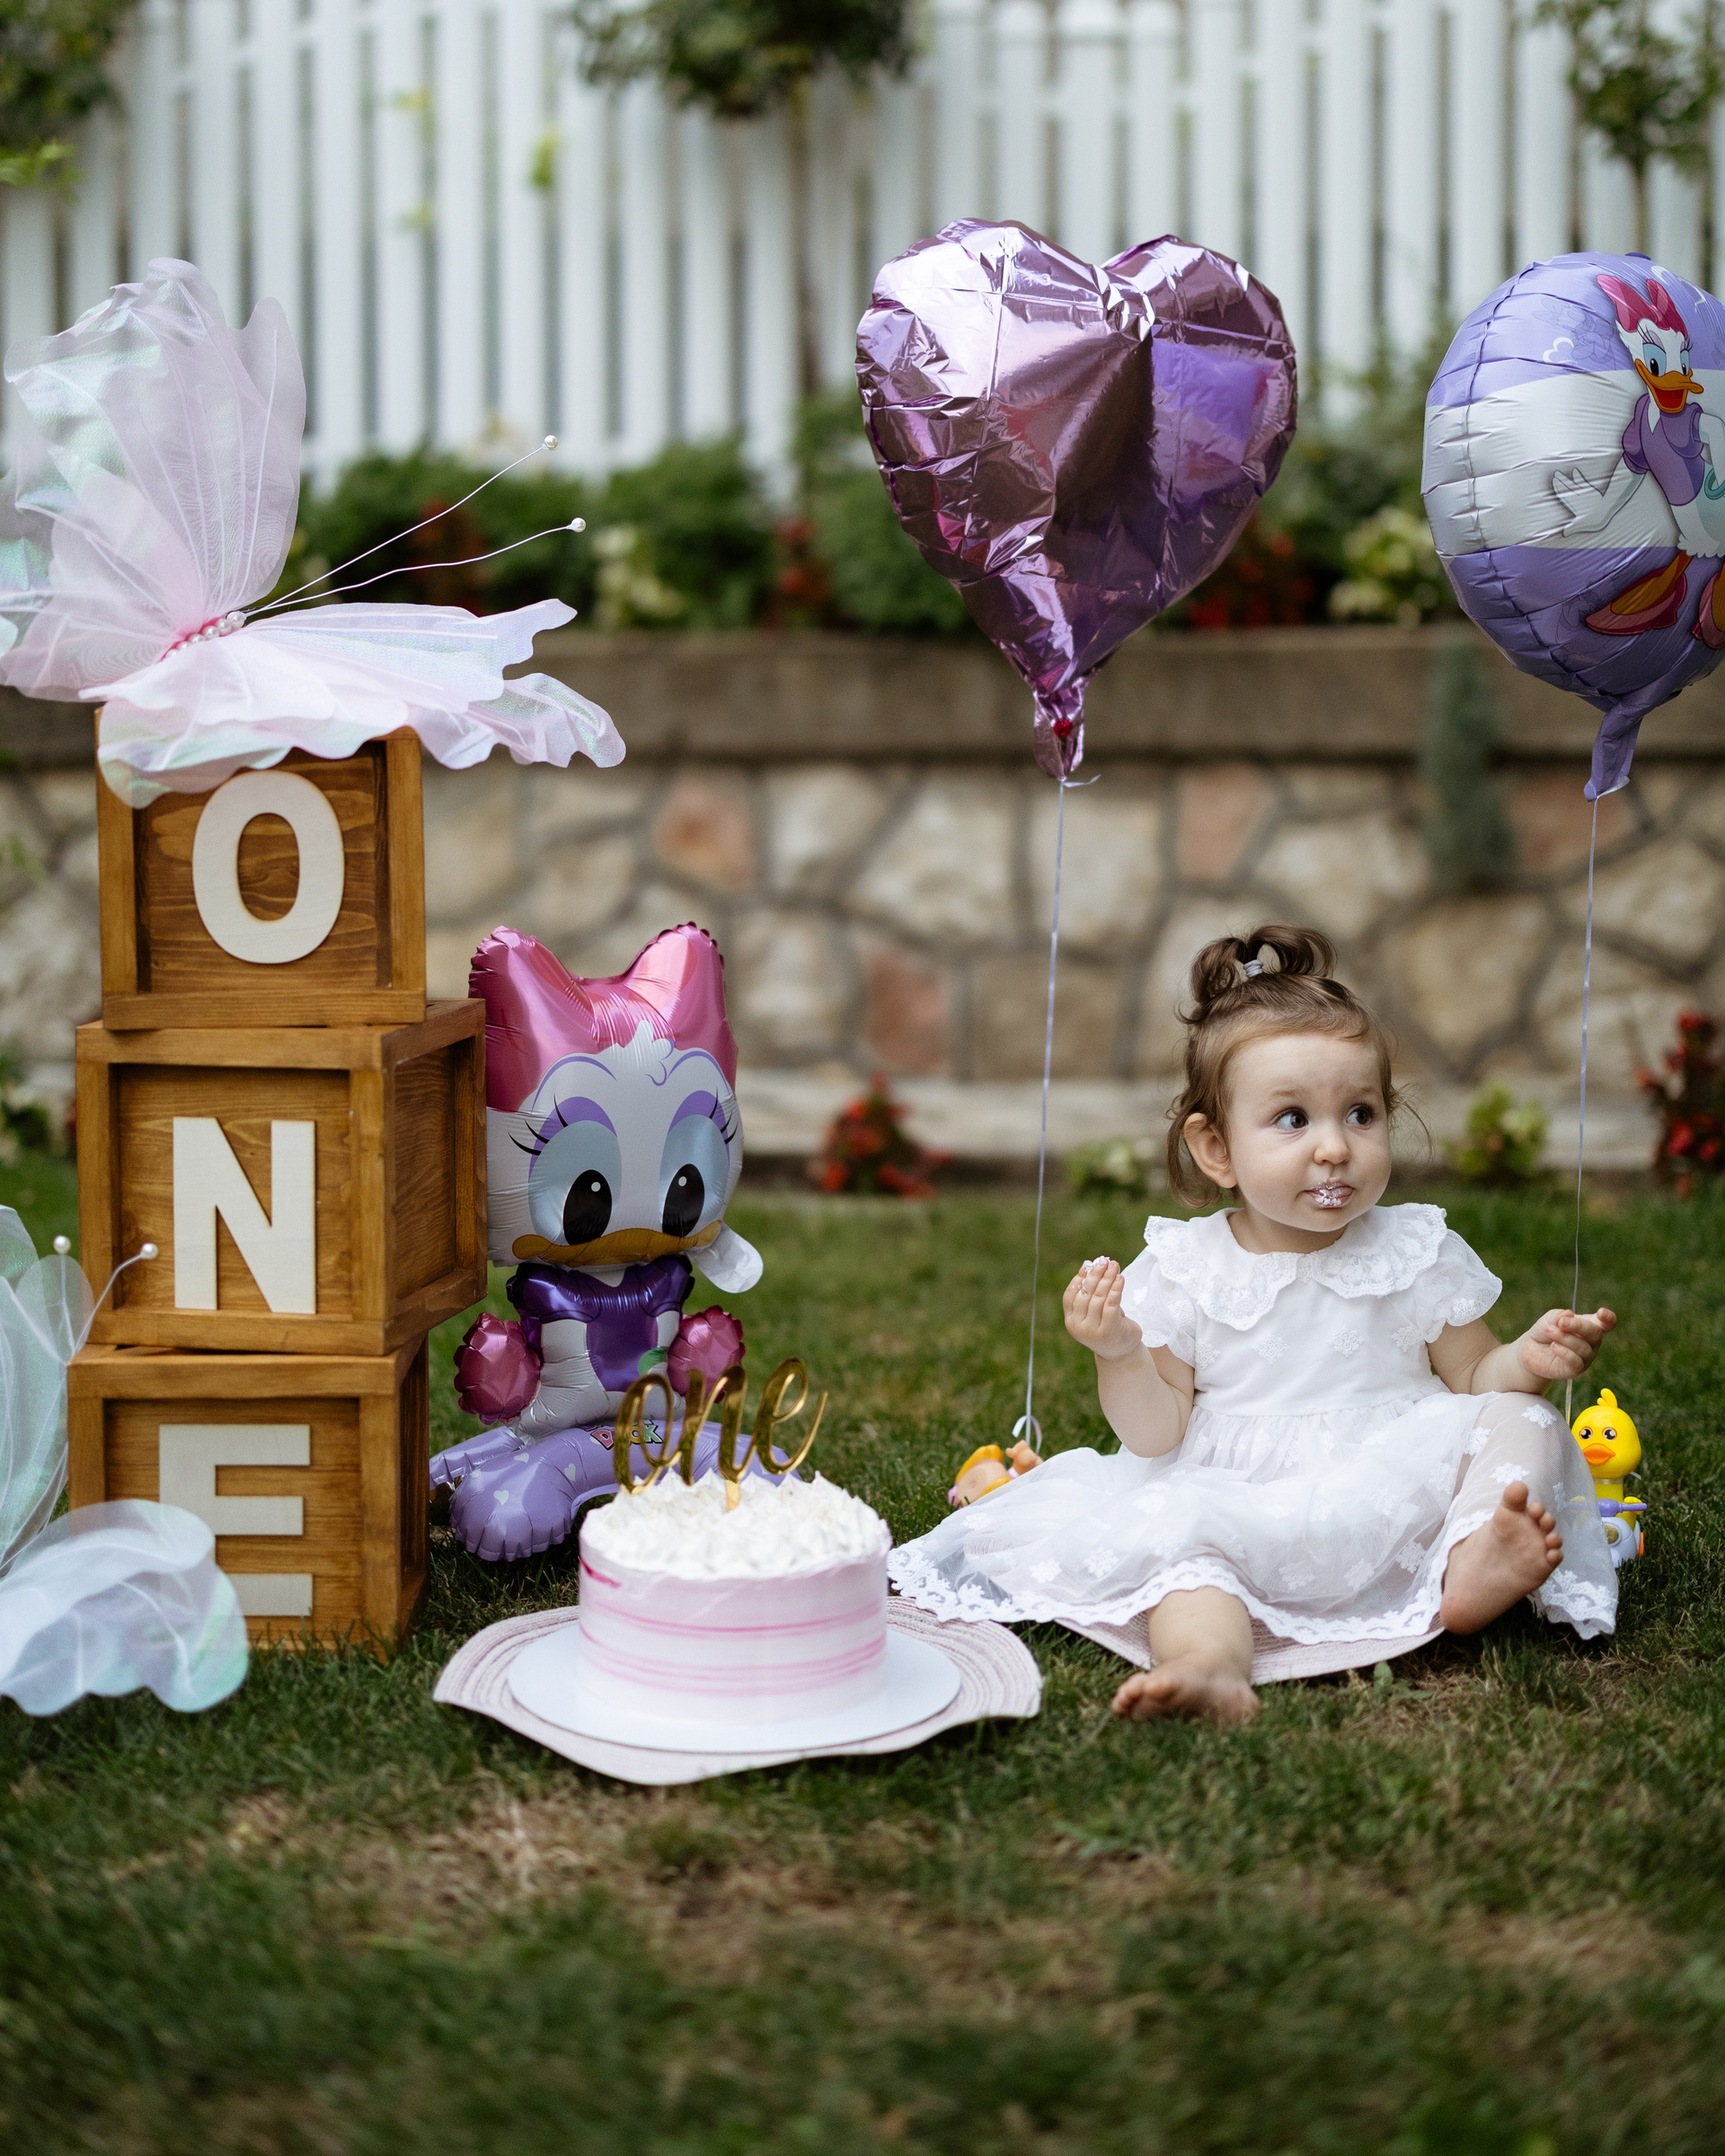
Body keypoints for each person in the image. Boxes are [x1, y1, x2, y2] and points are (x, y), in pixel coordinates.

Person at [889, 925, 1619, 1725]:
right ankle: (1209, 1662)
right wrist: (1121, 1352)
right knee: (1187, 1551)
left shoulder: (1414, 1248)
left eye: (1361, 1113)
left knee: (1523, 1420)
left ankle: (1471, 1559)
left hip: (1392, 1489)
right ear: (1216, 1148)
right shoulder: (1186, 1268)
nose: (1334, 1147)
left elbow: (1475, 1377)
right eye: (1293, 1119)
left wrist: (1529, 1358)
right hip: (1236, 1497)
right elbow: (1156, 1435)